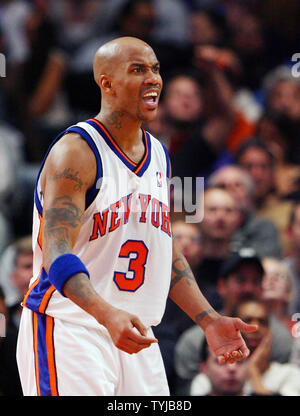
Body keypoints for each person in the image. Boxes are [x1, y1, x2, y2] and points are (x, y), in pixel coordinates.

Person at [16, 36, 256, 396]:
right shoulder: (77, 150)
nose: (153, 79)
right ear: (107, 82)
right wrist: (105, 313)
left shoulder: (159, 154)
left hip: (138, 335)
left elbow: (164, 250)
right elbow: (56, 253)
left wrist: (208, 319)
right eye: (138, 70)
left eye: (156, 69)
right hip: (70, 327)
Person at [174, 248, 293, 395]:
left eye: (255, 281)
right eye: (240, 280)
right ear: (221, 286)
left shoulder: (280, 338)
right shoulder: (195, 339)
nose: (248, 288)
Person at [191, 299, 300, 396]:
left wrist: (253, 371)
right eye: (247, 321)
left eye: (262, 322)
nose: (256, 328)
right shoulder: (206, 380)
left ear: (271, 331)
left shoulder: (290, 374)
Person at [207, 164, 282, 258]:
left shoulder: (263, 227)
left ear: (249, 193)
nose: (230, 190)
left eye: (237, 185)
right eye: (222, 186)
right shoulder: (201, 226)